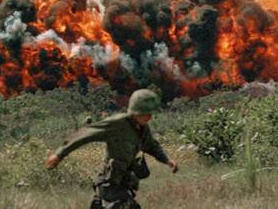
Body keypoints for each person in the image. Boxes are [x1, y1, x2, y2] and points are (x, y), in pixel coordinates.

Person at [45, 89, 178, 209]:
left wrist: (167, 160)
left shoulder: (142, 129)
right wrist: (59, 154)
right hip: (109, 182)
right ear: (135, 111)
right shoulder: (118, 123)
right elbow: (86, 134)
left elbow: (152, 145)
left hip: (123, 182)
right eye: (146, 114)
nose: (149, 117)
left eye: (150, 114)